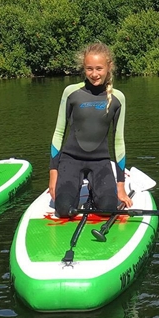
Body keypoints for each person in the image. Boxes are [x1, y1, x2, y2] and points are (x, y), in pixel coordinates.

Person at [49, 42, 133, 218]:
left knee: (108, 209)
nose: (94, 74)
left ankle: (98, 195)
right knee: (64, 210)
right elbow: (58, 133)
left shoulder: (118, 98)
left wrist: (120, 186)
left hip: (100, 161)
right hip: (70, 159)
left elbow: (118, 141)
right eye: (89, 69)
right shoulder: (71, 93)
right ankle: (74, 189)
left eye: (99, 68)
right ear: (84, 69)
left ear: (108, 67)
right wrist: (53, 174)